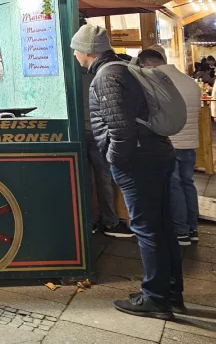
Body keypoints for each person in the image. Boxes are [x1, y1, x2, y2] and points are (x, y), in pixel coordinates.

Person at [72, 24, 182, 319]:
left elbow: (120, 128)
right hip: (156, 154)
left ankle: (156, 299)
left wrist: (114, 160)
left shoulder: (107, 75)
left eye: (75, 49)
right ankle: (171, 293)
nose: (74, 54)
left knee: (147, 229)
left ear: (85, 51)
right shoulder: (123, 68)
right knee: (162, 226)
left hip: (138, 161)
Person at [138, 48, 201, 247]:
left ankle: (180, 231)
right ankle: (192, 228)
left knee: (173, 186)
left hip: (171, 142)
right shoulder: (188, 81)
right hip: (190, 142)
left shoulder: (159, 82)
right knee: (187, 183)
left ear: (148, 64)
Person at [80, 61, 133, 239]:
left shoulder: (73, 79)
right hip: (97, 134)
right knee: (104, 179)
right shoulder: (99, 78)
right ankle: (110, 222)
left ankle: (88, 221)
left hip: (79, 134)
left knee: (83, 180)